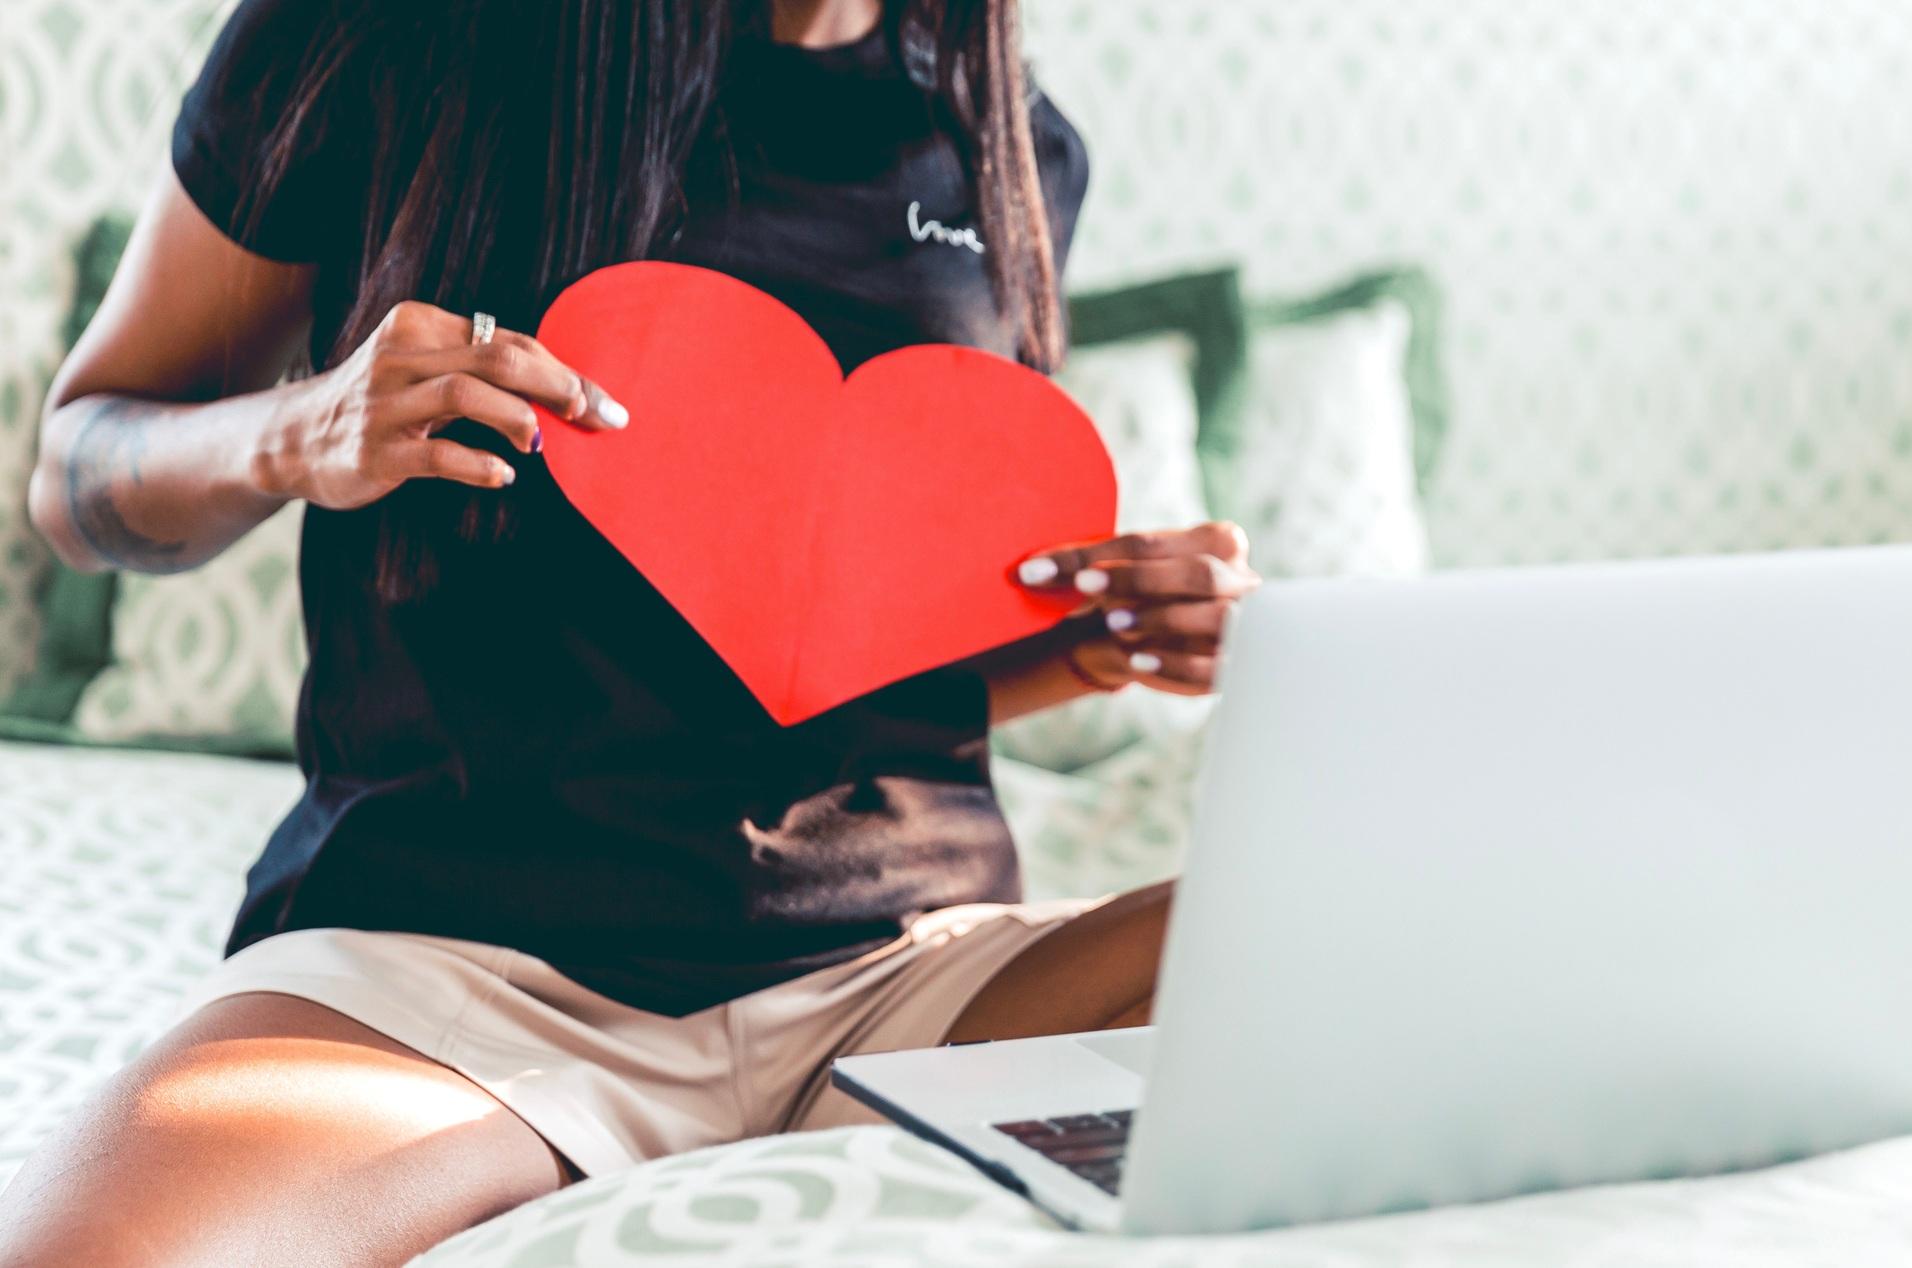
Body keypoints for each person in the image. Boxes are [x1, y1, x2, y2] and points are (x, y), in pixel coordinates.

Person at [0, 0, 1257, 1262]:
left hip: (908, 973)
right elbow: (76, 473)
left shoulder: (1011, 142)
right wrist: (301, 427)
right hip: (457, 971)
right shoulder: (375, 33)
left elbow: (823, 642)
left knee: (1371, 954)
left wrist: (1092, 645)